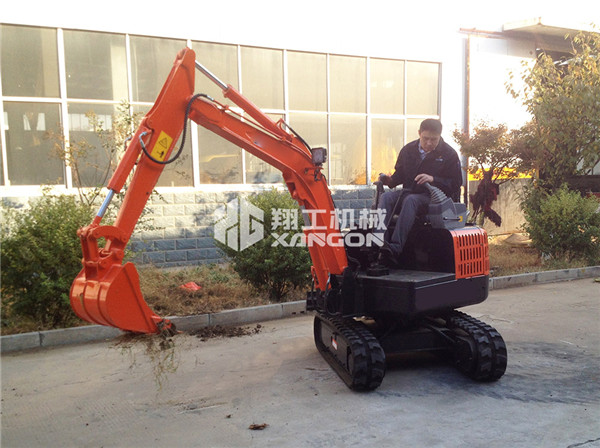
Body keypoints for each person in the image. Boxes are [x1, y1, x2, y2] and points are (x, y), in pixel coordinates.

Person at [378, 118, 462, 265]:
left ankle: (395, 248)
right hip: (409, 192)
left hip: (435, 199)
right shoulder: (408, 150)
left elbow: (456, 183)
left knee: (411, 200)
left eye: (433, 139)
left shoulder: (449, 154)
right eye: (425, 138)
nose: (429, 143)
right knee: (386, 197)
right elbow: (399, 176)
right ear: (419, 133)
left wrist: (433, 179)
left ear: (440, 136)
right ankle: (379, 243)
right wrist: (388, 181)